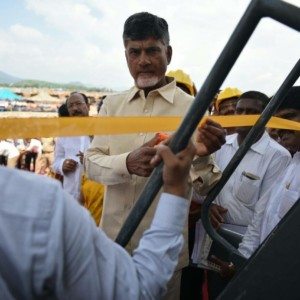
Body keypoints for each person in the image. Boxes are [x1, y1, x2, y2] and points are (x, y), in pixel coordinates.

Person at [85, 12, 225, 299]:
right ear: (125, 55)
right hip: (111, 246)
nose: (143, 61)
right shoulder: (111, 105)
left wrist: (200, 156)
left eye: (152, 50)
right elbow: (91, 163)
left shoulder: (193, 108)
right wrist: (127, 162)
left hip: (164, 256)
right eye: (134, 52)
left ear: (168, 53)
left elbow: (207, 185)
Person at [0, 141, 200, 299]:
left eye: (80, 104)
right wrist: (174, 189)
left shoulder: (32, 204)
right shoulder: (40, 205)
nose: (77, 109)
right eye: (72, 105)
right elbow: (134, 291)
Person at [211, 86, 300, 278]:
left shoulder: (280, 157)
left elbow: (262, 218)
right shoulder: (294, 164)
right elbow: (266, 220)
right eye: (240, 111)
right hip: (254, 257)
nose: (279, 127)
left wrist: (241, 261)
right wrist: (241, 262)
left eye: (289, 117)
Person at [210, 91, 291, 228]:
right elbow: (202, 189)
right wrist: (208, 206)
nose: (243, 116)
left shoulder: (278, 156)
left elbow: (266, 213)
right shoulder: (220, 144)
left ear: (266, 117)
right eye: (239, 111)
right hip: (209, 230)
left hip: (243, 239)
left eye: (251, 112)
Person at [52, 92, 90, 202]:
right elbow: (56, 162)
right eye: (71, 106)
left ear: (88, 106)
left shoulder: (101, 131)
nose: (75, 108)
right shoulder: (64, 134)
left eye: (78, 104)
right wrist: (62, 165)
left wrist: (90, 160)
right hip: (70, 197)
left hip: (94, 198)